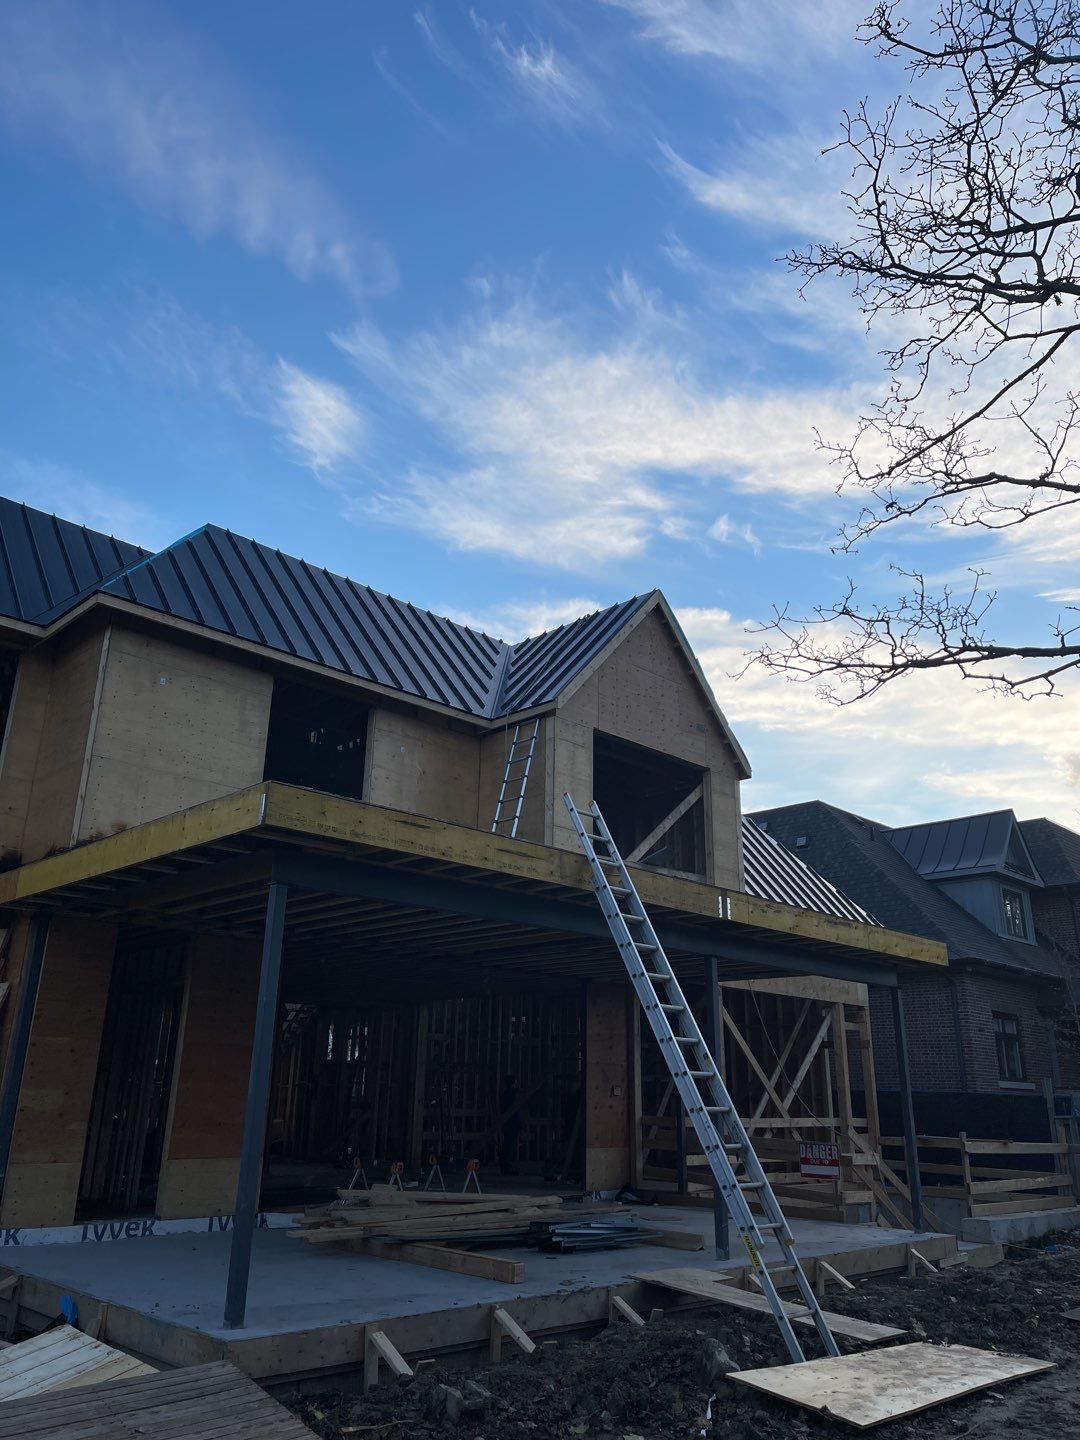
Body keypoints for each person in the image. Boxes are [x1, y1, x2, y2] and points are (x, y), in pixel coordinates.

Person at [499, 1074, 522, 1176]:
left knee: (507, 1145)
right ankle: (506, 1167)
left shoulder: (505, 1094)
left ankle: (505, 1166)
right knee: (509, 1146)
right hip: (512, 1123)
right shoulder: (513, 1094)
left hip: (507, 1123)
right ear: (513, 1083)